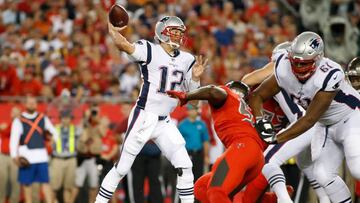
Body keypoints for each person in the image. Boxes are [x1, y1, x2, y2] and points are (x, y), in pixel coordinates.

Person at [96, 16, 207, 203]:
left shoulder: (187, 59)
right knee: (122, 168)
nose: (179, 36)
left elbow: (194, 101)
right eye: (175, 31)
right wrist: (113, 31)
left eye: (181, 32)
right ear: (162, 33)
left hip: (165, 121)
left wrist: (195, 80)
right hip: (144, 116)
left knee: (185, 165)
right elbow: (125, 46)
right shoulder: (149, 50)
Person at [249, 31, 360, 203]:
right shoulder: (283, 66)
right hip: (325, 124)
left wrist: (276, 138)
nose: (299, 68)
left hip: (350, 117)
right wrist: (260, 121)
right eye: (296, 63)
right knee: (322, 174)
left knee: (357, 168)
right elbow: (257, 96)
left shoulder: (330, 73)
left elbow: (309, 119)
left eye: (304, 64)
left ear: (318, 58)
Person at [240, 41, 330, 203]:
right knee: (306, 163)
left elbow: (248, 79)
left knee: (268, 161)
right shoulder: (305, 73)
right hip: (317, 122)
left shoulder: (280, 66)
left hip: (304, 123)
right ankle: (325, 199)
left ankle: (284, 200)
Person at [166, 81, 266, 203]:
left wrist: (186, 96)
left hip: (242, 148)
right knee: (202, 187)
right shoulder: (247, 110)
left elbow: (212, 90)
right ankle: (272, 199)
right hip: (256, 157)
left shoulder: (228, 95)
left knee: (216, 191)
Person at [10, 96, 59, 203]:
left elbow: (55, 132)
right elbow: (14, 139)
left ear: (37, 104)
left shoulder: (43, 118)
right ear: (25, 104)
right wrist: (14, 156)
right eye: (29, 102)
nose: (32, 104)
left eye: (34, 102)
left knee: (46, 184)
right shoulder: (19, 120)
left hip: (41, 157)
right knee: (27, 187)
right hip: (27, 158)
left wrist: (53, 141)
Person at [50, 110, 79, 203]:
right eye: (63, 117)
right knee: (54, 186)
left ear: (70, 119)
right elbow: (49, 142)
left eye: (67, 118)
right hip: (57, 159)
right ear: (60, 118)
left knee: (68, 186)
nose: (65, 120)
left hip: (71, 159)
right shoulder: (55, 128)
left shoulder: (75, 129)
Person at [178, 104, 210, 183]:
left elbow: (205, 141)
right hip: (187, 155)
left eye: (195, 109)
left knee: (198, 177)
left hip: (199, 154)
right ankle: (186, 195)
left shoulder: (202, 124)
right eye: (191, 110)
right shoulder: (182, 125)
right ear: (188, 111)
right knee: (186, 177)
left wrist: (206, 156)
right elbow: (178, 143)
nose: (193, 111)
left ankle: (196, 195)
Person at [0, 107, 20, 203]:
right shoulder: (7, 123)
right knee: (2, 180)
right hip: (3, 155)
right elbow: (5, 132)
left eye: (17, 113)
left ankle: (14, 201)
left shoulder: (21, 125)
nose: (14, 114)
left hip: (15, 157)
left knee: (15, 181)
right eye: (13, 112)